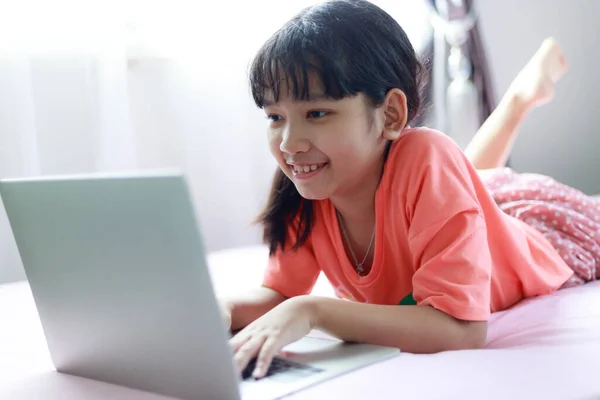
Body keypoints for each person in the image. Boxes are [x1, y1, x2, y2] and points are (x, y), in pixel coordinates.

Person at [219, 0, 600, 379]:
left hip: (537, 230)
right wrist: (221, 308)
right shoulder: (309, 185)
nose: (289, 143)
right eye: (275, 117)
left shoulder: (426, 156)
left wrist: (313, 311)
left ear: (390, 114)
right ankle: (521, 98)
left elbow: (461, 328)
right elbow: (281, 294)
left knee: (466, 177)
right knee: (475, 179)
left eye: (316, 113)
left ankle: (518, 99)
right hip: (459, 200)